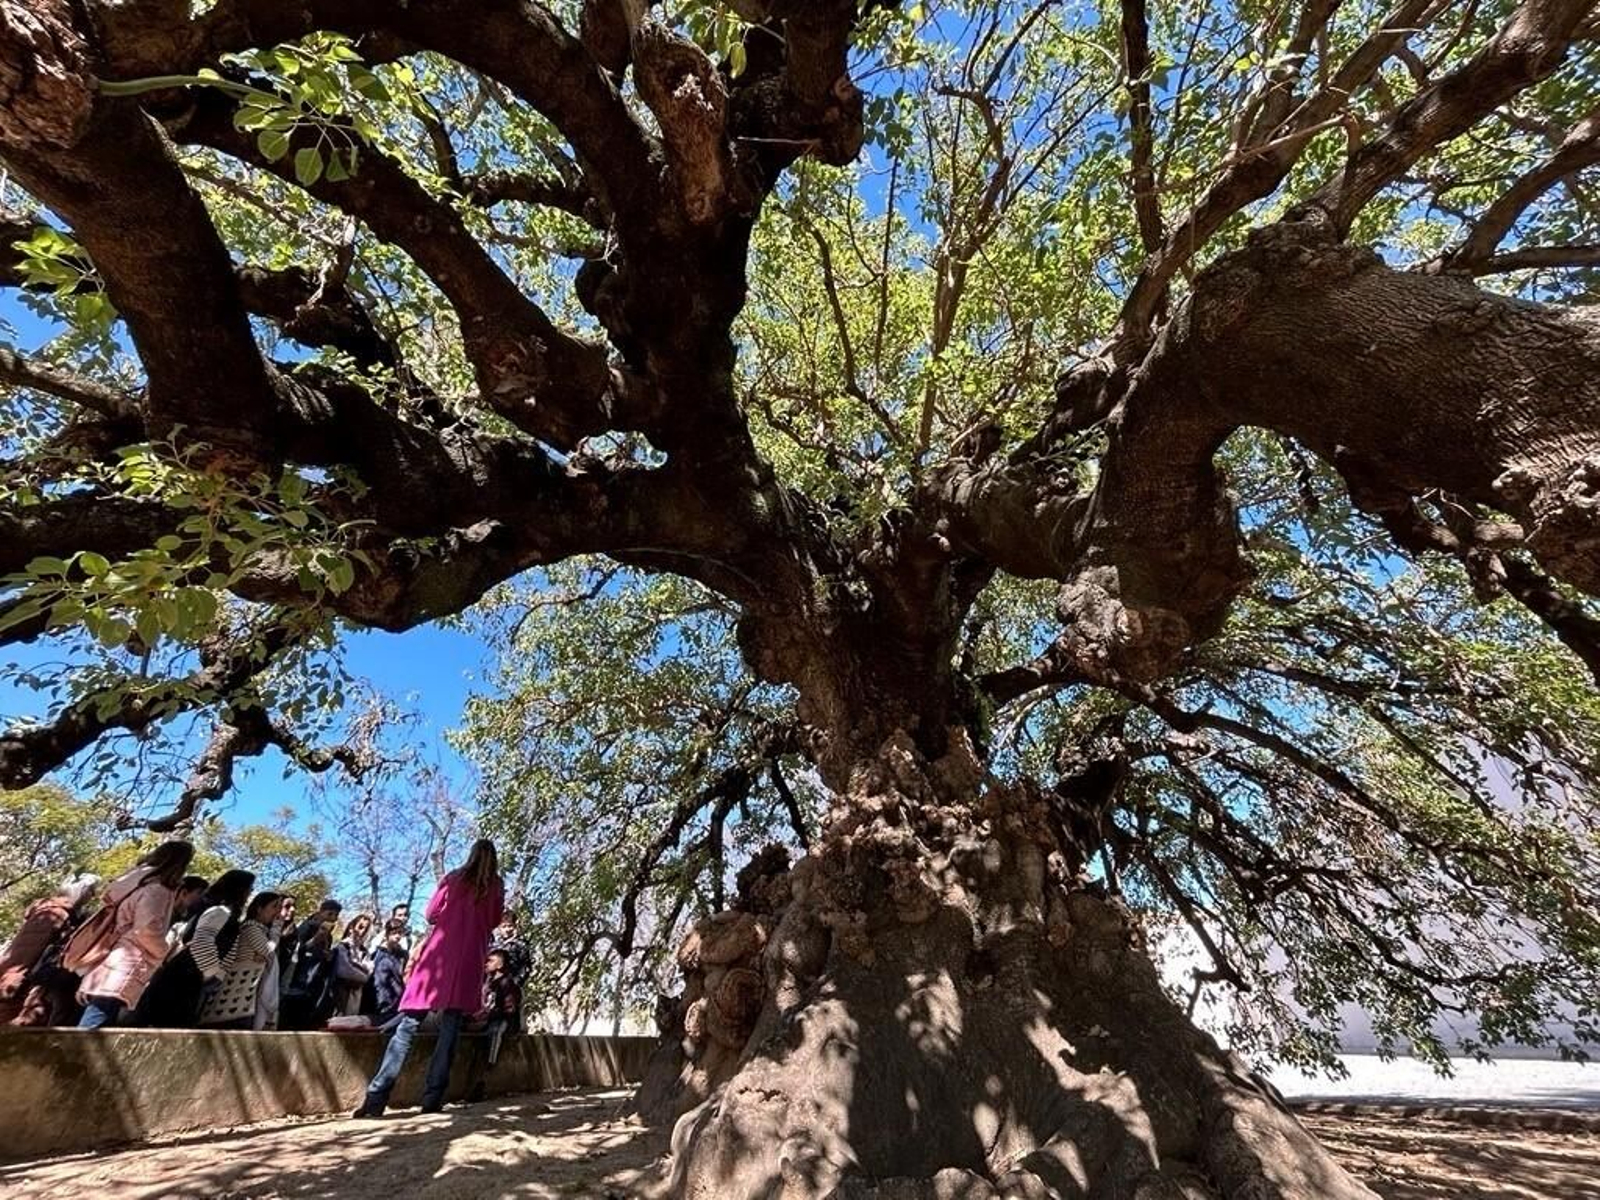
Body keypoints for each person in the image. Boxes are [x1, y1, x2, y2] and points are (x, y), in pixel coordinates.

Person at [354, 839, 503, 1118]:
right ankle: (432, 1099)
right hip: (469, 959)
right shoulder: (495, 885)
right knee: (450, 1029)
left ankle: (376, 1098)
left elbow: (431, 913)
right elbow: (494, 920)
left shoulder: (453, 878)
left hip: (438, 958)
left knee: (408, 1025)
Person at [77, 841, 195, 1029]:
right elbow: (146, 929)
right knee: (96, 1023)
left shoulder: (136, 885)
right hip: (128, 963)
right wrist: (164, 951)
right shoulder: (157, 891)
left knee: (98, 1014)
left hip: (112, 958)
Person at [136, 869, 255, 1027]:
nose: (249, 893)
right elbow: (202, 940)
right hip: (184, 976)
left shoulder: (223, 912)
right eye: (250, 888)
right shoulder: (220, 912)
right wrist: (212, 972)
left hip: (190, 975)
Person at [0, 875, 99, 1025]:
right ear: (79, 890)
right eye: (91, 890)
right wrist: (12, 980)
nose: (93, 895)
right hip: (26, 983)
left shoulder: (70, 916)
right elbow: (26, 949)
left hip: (40, 982)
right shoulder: (55, 914)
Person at [200, 891, 282, 1029]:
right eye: (274, 906)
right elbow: (268, 952)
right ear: (259, 908)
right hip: (236, 997)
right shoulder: (251, 929)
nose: (278, 911)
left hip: (244, 996)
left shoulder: (260, 931)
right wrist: (275, 934)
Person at [465, 948, 523, 1103]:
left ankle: (484, 1079)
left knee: (493, 1034)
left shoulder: (507, 983)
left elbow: (509, 1009)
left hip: (501, 1021)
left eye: (491, 961)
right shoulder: (486, 983)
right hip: (484, 1019)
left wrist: (488, 1015)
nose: (486, 963)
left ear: (500, 964)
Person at [281, 899, 341, 1030]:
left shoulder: (329, 936)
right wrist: (314, 940)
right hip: (296, 982)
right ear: (320, 912)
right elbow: (296, 952)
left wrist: (328, 956)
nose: (333, 918)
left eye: (336, 916)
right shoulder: (306, 927)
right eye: (330, 914)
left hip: (313, 985)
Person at [254, 895, 294, 1030]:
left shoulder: (292, 934)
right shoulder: (255, 929)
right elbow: (266, 952)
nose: (292, 910)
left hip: (273, 993)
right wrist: (276, 929)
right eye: (286, 907)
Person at [331, 912, 374, 1017]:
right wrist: (362, 975)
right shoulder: (342, 947)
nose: (362, 931)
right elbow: (344, 971)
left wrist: (361, 972)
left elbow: (370, 970)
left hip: (356, 995)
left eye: (366, 929)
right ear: (351, 927)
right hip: (341, 994)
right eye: (360, 927)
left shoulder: (364, 951)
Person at [370, 919, 408, 1027]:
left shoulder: (402, 954)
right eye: (394, 933)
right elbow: (379, 981)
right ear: (387, 934)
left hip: (398, 999)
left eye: (400, 933)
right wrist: (383, 1003)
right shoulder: (379, 954)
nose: (397, 936)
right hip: (383, 1001)